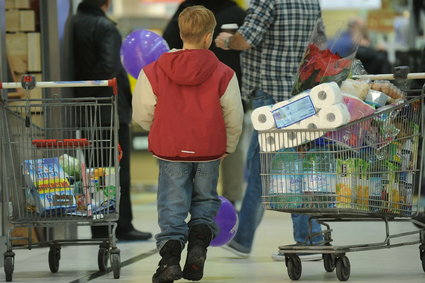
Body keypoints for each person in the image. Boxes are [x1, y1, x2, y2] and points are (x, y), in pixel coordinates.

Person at [132, 6, 244, 283]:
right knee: (205, 201)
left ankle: (169, 261)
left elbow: (143, 112)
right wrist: (228, 146)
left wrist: (160, 130)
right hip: (209, 150)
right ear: (209, 37)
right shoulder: (224, 73)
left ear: (180, 33)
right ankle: (197, 251)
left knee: (172, 204)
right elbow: (234, 115)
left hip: (171, 150)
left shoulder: (153, 70)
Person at [215, 0, 323, 259]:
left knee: (279, 168)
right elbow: (319, 43)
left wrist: (228, 40)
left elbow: (247, 39)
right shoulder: (311, 1)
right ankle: (244, 239)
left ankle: (310, 239)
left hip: (271, 94)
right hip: (300, 91)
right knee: (266, 166)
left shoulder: (267, 1)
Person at [72, 0, 152, 241]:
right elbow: (108, 68)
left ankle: (99, 226)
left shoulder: (72, 24)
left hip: (85, 110)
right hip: (108, 110)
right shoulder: (105, 28)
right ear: (106, 3)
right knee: (118, 170)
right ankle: (123, 225)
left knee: (95, 169)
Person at [162, 0, 247, 206]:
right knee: (231, 150)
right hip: (230, 84)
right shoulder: (237, 13)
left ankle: (188, 199)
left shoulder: (187, 10)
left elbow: (168, 43)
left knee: (190, 148)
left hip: (189, 94)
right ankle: (230, 199)